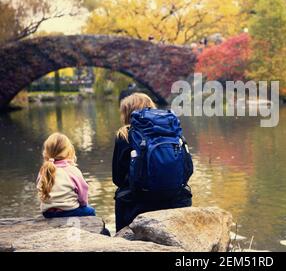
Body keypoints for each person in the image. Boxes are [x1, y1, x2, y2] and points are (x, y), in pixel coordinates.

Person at [113, 93, 192, 232]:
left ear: (127, 113)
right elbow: (188, 169)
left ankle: (122, 238)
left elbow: (118, 178)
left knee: (121, 194)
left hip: (138, 204)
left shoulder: (124, 134)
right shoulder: (173, 131)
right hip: (176, 201)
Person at [37, 133, 96, 218]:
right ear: (69, 151)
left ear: (46, 152)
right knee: (90, 211)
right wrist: (83, 205)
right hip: (70, 210)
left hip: (48, 213)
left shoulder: (44, 170)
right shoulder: (72, 171)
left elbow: (40, 189)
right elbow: (83, 193)